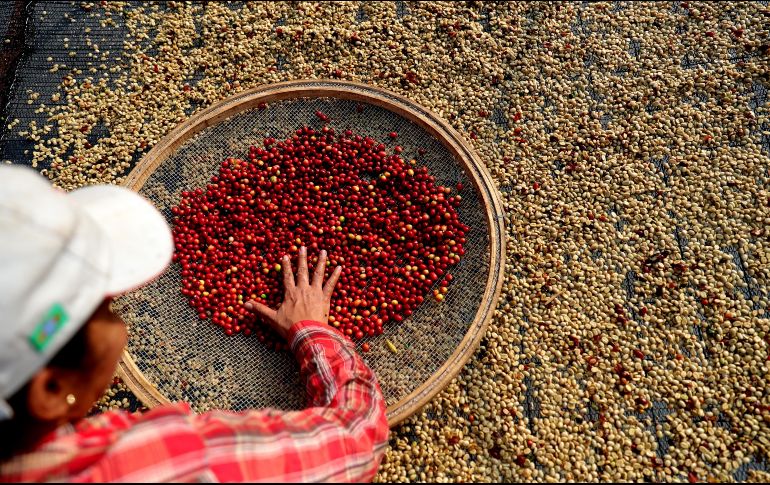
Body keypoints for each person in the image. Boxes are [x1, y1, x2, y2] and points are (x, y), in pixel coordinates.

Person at [0, 165, 389, 482]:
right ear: (52, 389)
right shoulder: (161, 465)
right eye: (105, 308)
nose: (117, 311)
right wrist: (310, 328)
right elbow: (357, 437)